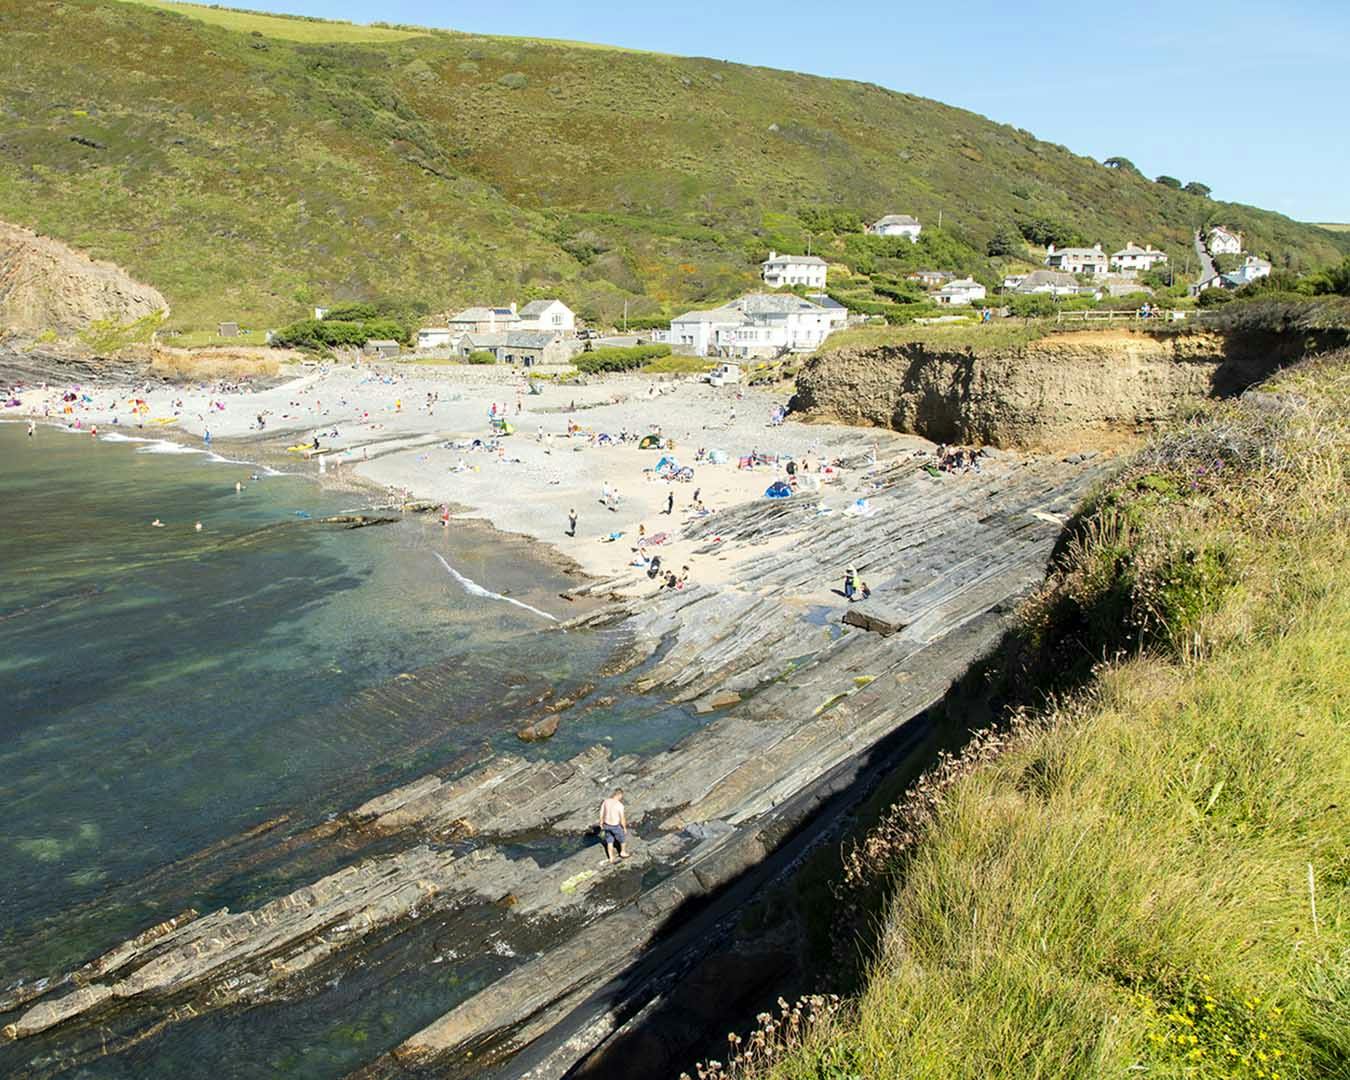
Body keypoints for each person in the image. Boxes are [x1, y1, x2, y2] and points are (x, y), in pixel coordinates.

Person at [598, 789, 629, 862]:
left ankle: (611, 858)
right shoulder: (619, 805)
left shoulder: (606, 801)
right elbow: (622, 818)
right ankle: (623, 852)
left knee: (609, 841)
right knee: (622, 839)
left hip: (606, 825)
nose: (621, 797)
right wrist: (624, 828)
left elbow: (601, 812)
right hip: (615, 826)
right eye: (621, 796)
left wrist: (601, 823)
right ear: (619, 795)